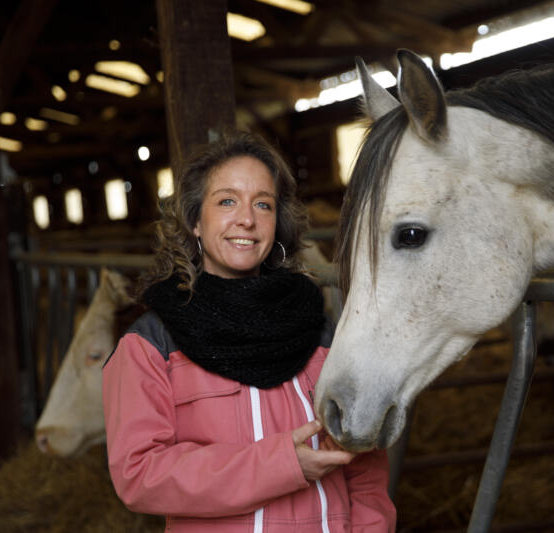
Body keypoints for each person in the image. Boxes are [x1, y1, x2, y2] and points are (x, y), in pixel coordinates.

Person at [102, 131, 396, 533]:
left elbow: (365, 467)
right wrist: (281, 465)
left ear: (278, 223)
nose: (247, 219)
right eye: (226, 201)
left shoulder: (321, 330)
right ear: (194, 222)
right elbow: (139, 474)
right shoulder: (152, 342)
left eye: (263, 204)